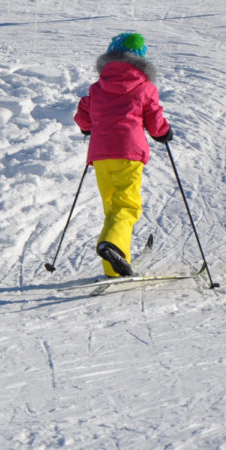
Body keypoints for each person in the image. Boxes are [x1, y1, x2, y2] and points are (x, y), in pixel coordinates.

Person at [74, 32, 172, 278]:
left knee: (112, 207)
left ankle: (114, 267)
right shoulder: (145, 87)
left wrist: (87, 126)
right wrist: (163, 133)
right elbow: (154, 118)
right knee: (127, 205)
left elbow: (84, 113)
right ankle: (113, 245)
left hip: (100, 155)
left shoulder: (97, 88)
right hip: (129, 152)